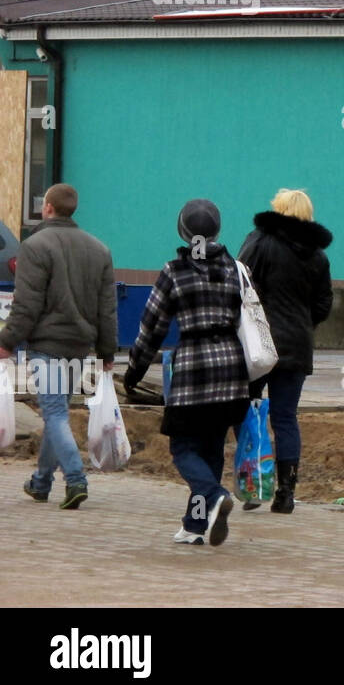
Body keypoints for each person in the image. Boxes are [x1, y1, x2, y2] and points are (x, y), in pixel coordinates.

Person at [123, 200, 248, 545]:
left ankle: (215, 495)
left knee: (182, 447)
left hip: (194, 369)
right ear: (217, 230)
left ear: (182, 231)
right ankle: (194, 526)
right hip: (232, 370)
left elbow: (152, 327)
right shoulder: (237, 269)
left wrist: (134, 370)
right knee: (210, 448)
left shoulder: (174, 271)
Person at [0, 183, 116, 510]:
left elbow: (26, 304)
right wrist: (107, 352)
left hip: (47, 346)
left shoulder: (35, 246)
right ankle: (41, 482)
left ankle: (76, 479)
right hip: (80, 347)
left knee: (53, 413)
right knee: (58, 415)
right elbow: (107, 309)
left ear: (47, 208)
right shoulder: (99, 250)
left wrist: (6, 341)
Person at [237, 189, 333, 514]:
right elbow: (323, 305)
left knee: (248, 409)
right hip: (296, 346)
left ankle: (252, 483)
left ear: (278, 210)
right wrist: (302, 324)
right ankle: (286, 493)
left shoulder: (260, 242)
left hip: (258, 344)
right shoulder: (318, 256)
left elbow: (240, 282)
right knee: (285, 417)